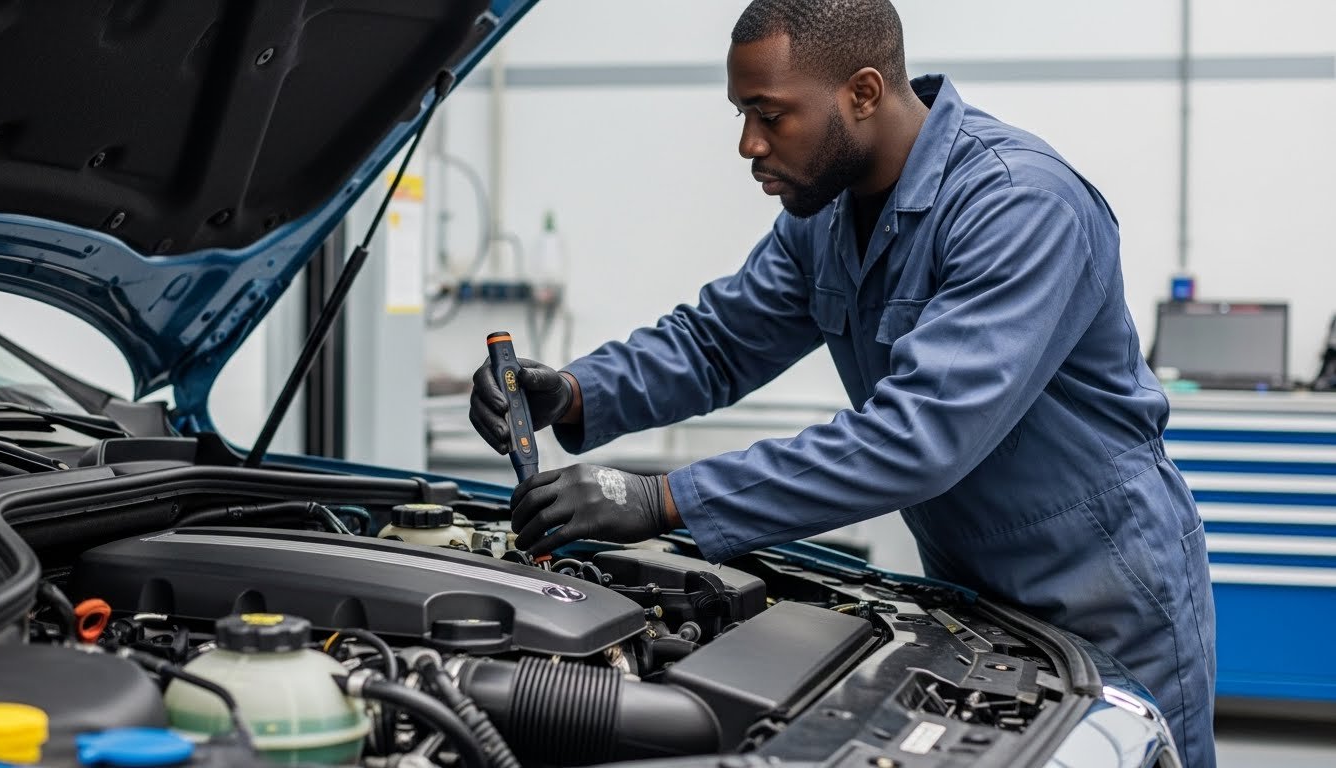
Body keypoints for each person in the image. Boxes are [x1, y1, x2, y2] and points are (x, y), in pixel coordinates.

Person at [468, 1, 1216, 764]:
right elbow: (717, 342)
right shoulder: (823, 214)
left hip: (1103, 591)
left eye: (769, 114)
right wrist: (574, 389)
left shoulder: (1018, 203)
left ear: (862, 92)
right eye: (740, 113)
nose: (747, 144)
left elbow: (916, 438)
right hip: (968, 586)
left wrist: (660, 499)